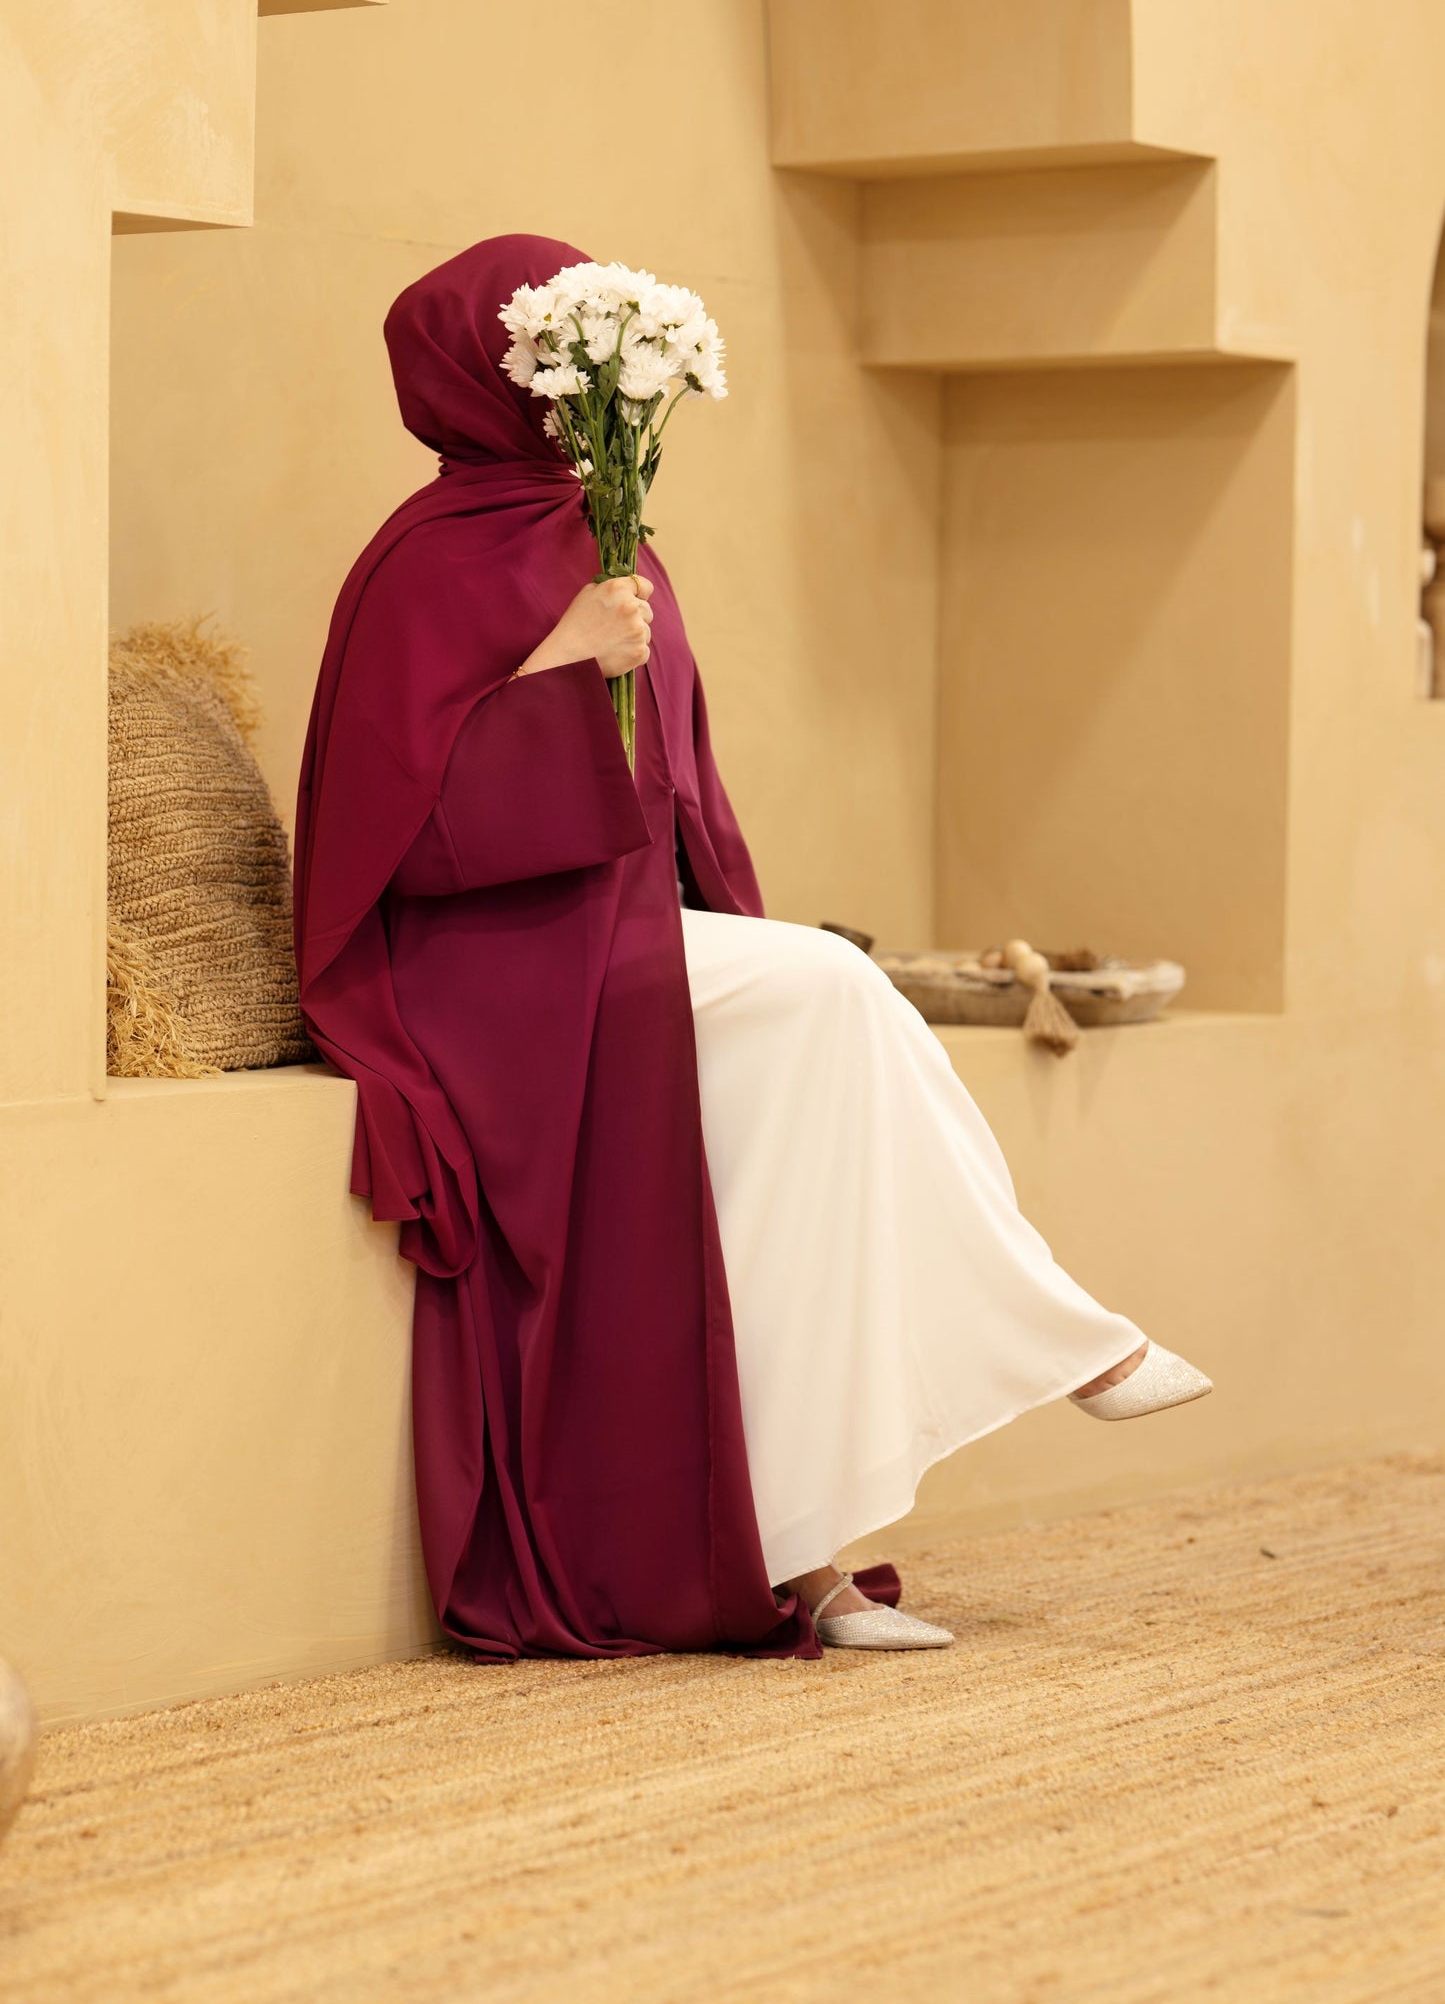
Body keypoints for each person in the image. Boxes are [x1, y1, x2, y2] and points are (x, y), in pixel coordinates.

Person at [294, 234, 1211, 1664]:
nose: (567, 384)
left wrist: (619, 674)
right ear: (480, 370)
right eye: (546, 355)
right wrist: (556, 671)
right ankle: (1069, 1337)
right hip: (478, 971)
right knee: (839, 996)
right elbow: (393, 836)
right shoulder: (419, 565)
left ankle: (803, 1549)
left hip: (611, 941)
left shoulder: (610, 534)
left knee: (823, 1108)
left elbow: (674, 796)